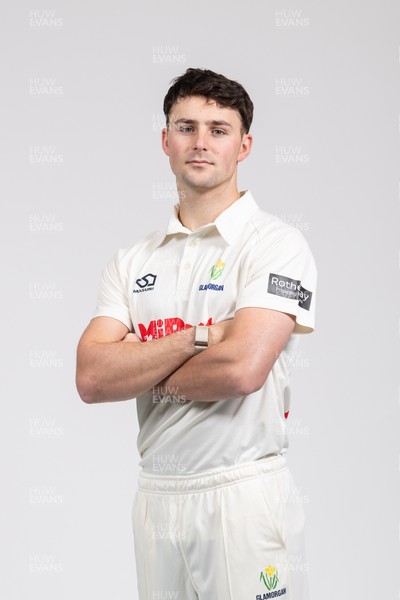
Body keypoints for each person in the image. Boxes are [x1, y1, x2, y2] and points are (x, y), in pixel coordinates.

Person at [76, 67, 317, 600]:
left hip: (240, 492)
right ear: (165, 140)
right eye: (186, 127)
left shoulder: (276, 245)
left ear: (244, 145)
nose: (200, 142)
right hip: (156, 496)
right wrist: (200, 337)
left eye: (218, 129)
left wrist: (141, 368)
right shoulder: (132, 260)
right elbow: (93, 378)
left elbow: (241, 370)